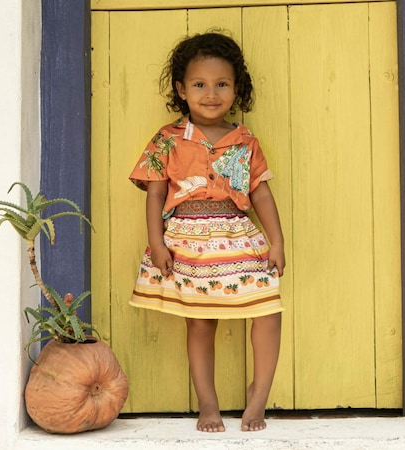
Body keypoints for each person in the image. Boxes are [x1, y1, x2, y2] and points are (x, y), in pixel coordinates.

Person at [128, 32, 285, 433]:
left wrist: (277, 242)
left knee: (267, 310)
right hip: (188, 243)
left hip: (238, 239)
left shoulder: (245, 141)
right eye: (199, 84)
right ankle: (208, 405)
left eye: (222, 84)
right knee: (199, 321)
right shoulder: (167, 140)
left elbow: (261, 194)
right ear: (182, 89)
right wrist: (156, 242)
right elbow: (155, 192)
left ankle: (258, 397)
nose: (210, 93)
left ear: (236, 89)